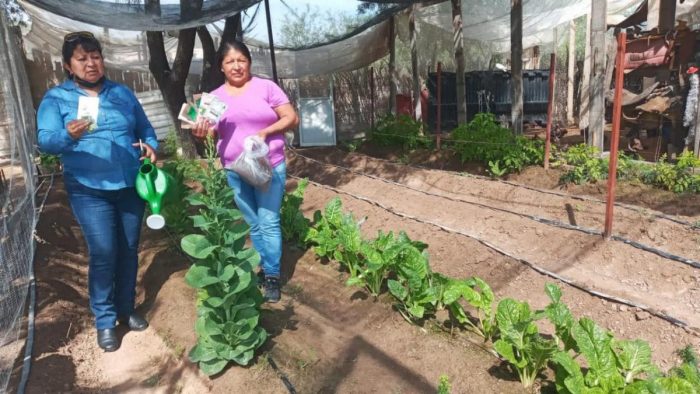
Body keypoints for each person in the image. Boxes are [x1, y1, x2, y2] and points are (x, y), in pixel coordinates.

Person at [37, 31, 158, 352]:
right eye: (82, 58)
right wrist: (67, 134)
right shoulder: (57, 99)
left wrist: (151, 147)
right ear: (68, 65)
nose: (91, 63)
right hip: (88, 189)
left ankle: (126, 309)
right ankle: (104, 321)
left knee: (129, 249)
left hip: (130, 186)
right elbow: (45, 141)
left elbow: (146, 129)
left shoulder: (122, 93)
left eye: (96, 56)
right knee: (104, 252)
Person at [192, 40, 298, 303]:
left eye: (241, 60)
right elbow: (210, 133)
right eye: (230, 61)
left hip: (268, 163)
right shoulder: (213, 98)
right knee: (253, 222)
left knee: (269, 220)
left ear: (249, 62)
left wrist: (265, 131)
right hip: (235, 169)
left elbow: (291, 118)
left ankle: (272, 275)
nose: (237, 66)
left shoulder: (266, 87)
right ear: (222, 66)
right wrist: (201, 132)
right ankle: (262, 267)